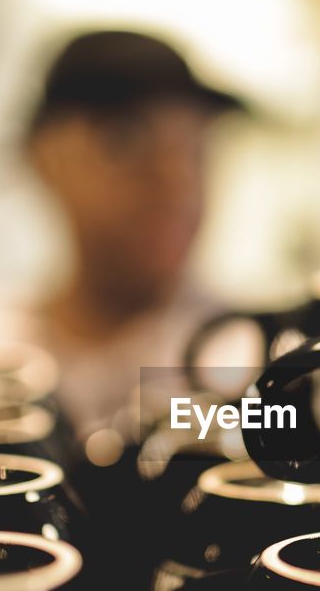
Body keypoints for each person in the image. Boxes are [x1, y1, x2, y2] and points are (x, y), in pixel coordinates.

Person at [24, 30, 243, 437]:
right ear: (43, 156)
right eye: (125, 141)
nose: (177, 185)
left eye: (196, 150)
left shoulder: (242, 364)